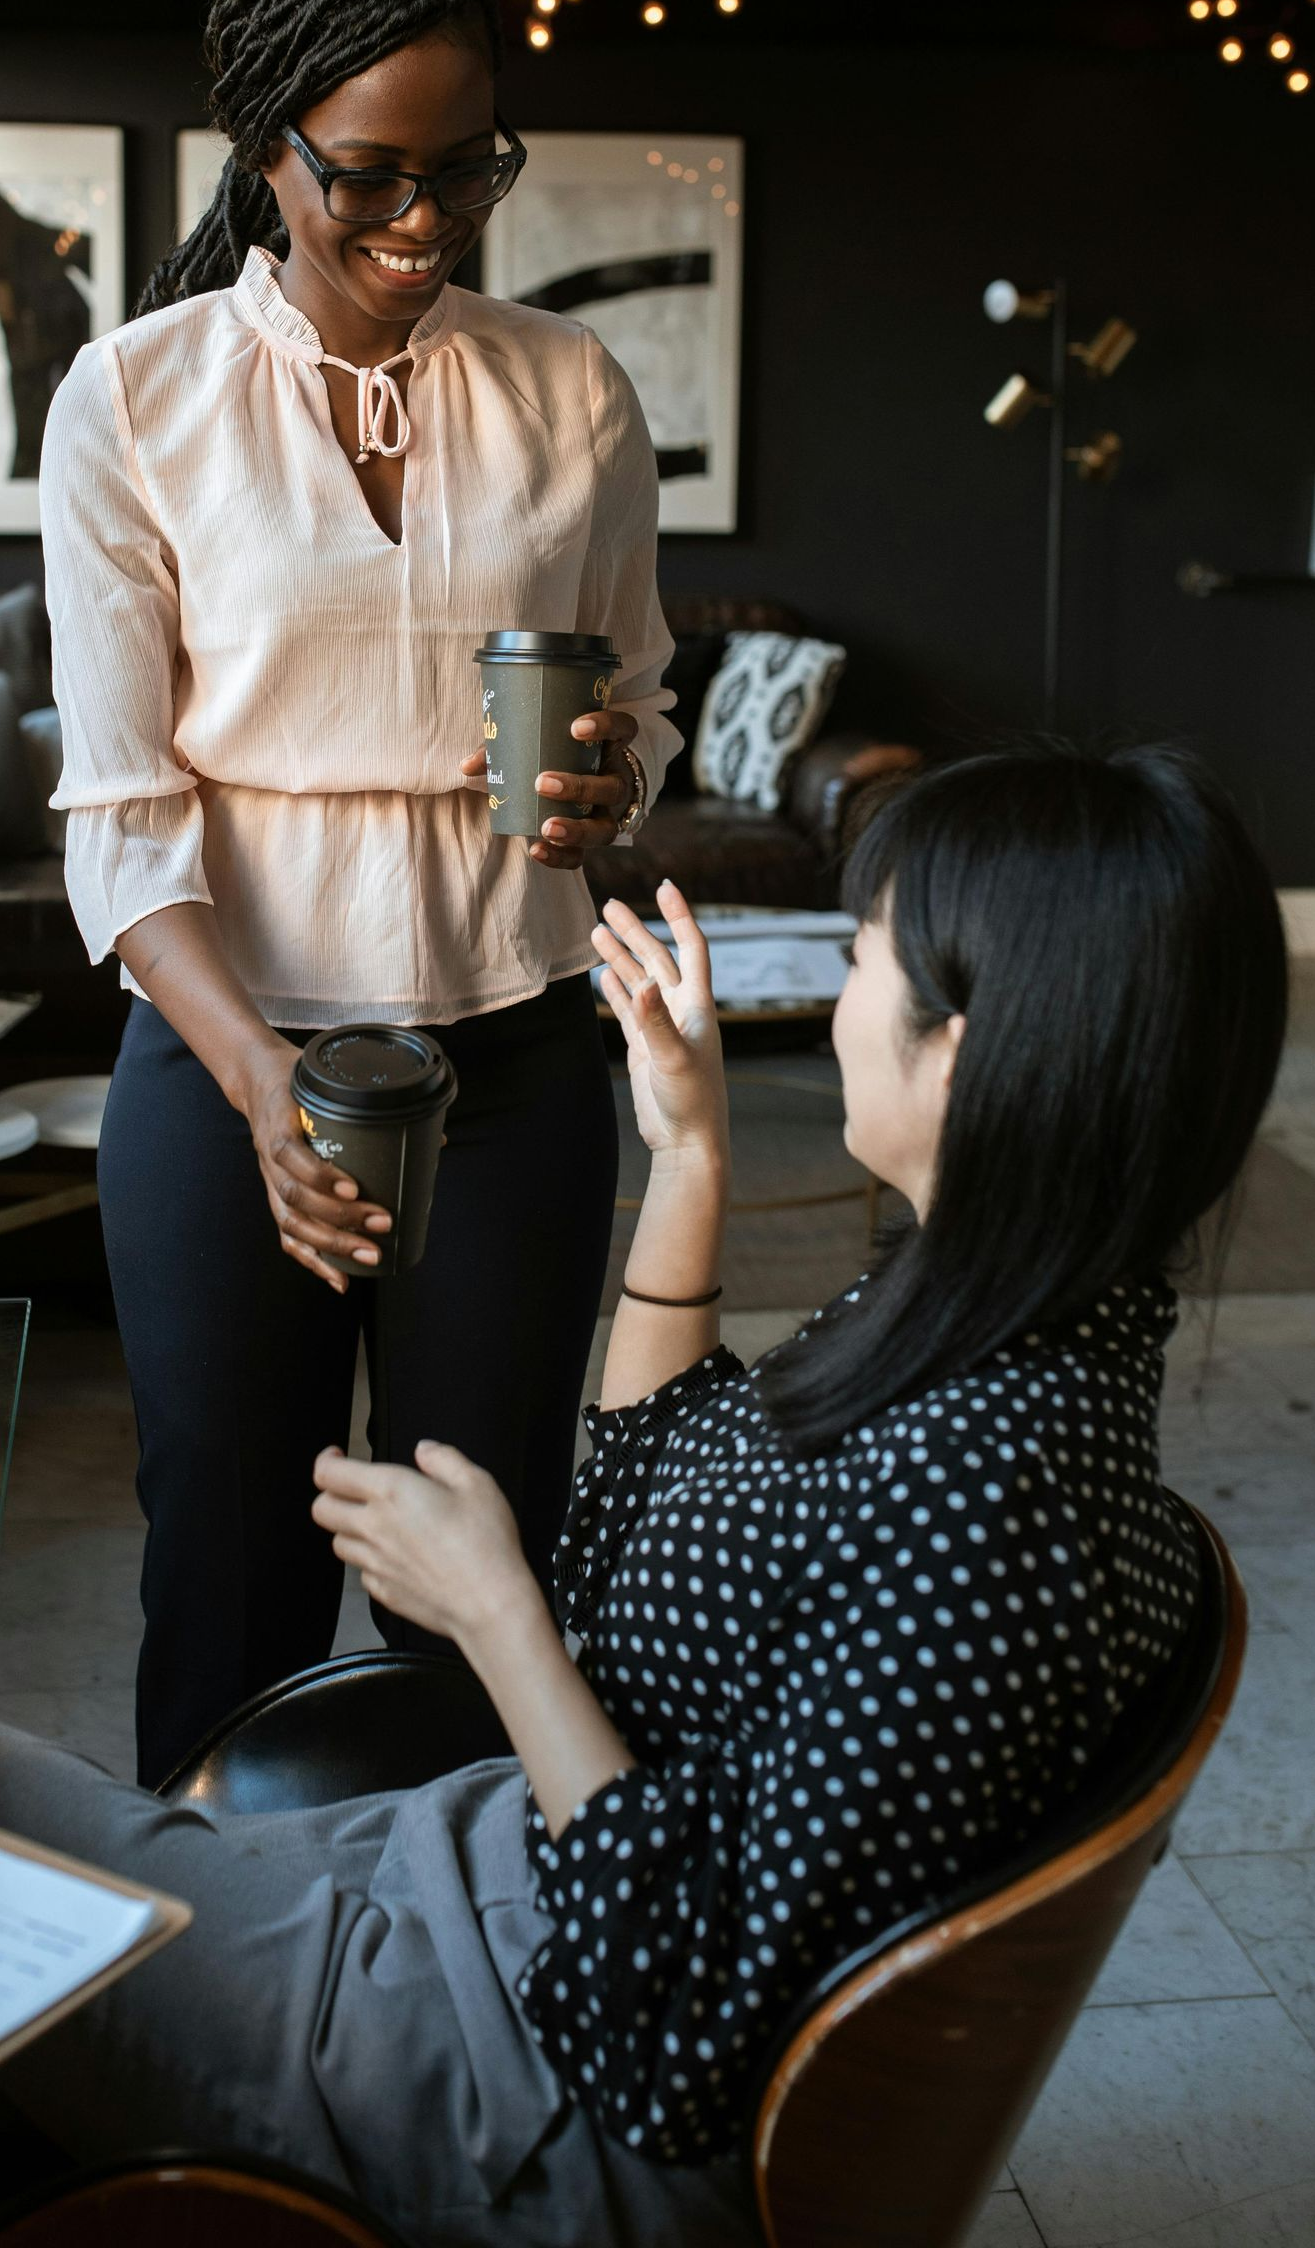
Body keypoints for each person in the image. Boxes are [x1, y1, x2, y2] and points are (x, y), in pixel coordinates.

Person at [1, 744, 1288, 2245]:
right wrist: (689, 1150)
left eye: (860, 957)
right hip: (486, 1883)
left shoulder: (982, 1503)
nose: (831, 990)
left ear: (972, 1047)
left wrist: (497, 1619)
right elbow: (645, 1532)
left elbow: (670, 2037)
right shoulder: (1003, 1334)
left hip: (502, 2069)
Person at [38, 0, 678, 1787]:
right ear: (265, 149)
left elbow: (632, 692)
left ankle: (462, 1998)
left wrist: (608, 787)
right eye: (367, 178)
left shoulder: (570, 389)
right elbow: (125, 811)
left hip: (515, 1062)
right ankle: (193, 2010)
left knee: (479, 1571)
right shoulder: (136, 400)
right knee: (225, 1564)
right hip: (239, 1060)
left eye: (462, 175)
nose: (419, 227)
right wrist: (260, 1088)